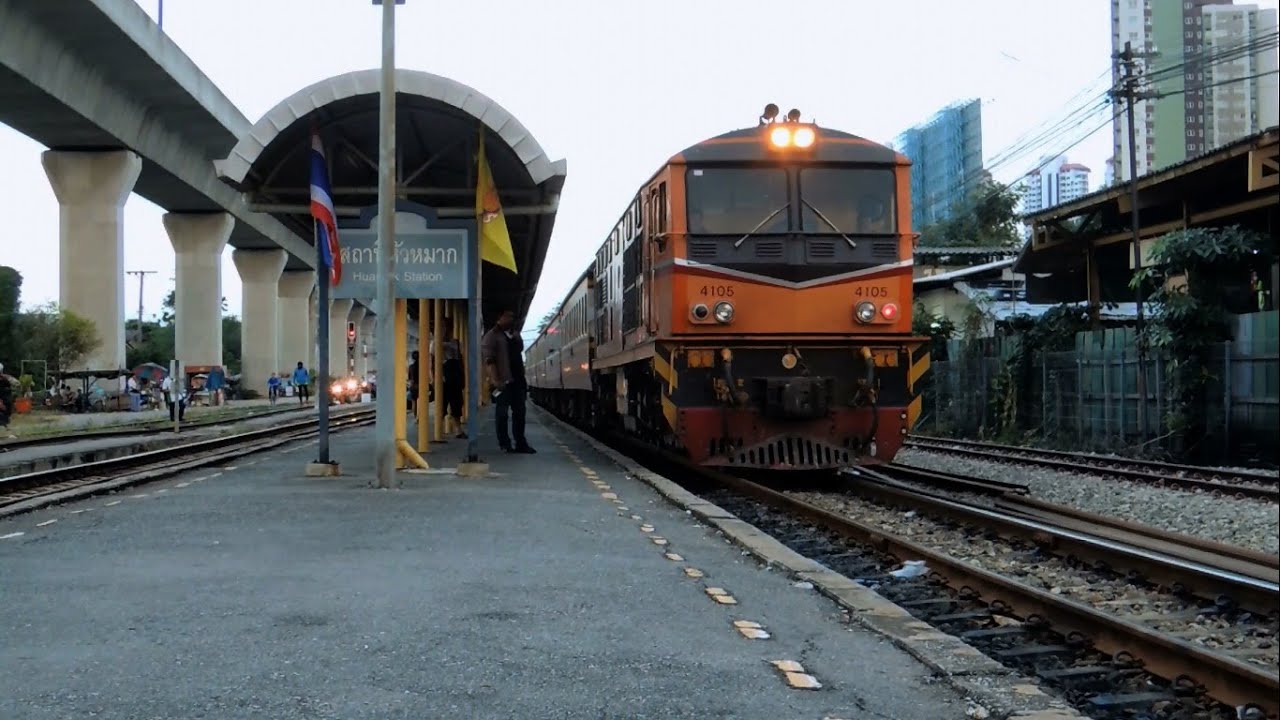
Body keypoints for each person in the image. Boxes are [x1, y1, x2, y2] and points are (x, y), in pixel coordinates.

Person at [481, 309, 535, 454]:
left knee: (520, 412)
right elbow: (489, 360)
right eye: (507, 316)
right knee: (502, 413)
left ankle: (521, 443)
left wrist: (514, 336)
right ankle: (505, 444)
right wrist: (495, 380)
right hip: (502, 381)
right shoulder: (491, 336)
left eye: (512, 316)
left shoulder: (515, 334)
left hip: (518, 380)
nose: (511, 319)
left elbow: (520, 349)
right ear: (499, 318)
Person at [441, 317, 466, 438]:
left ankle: (458, 430)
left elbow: (461, 360)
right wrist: (434, 378)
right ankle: (439, 430)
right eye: (442, 327)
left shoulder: (456, 342)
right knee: (442, 403)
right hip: (443, 375)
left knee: (457, 403)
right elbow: (431, 362)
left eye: (447, 327)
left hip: (455, 374)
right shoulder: (435, 343)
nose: (444, 330)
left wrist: (463, 376)